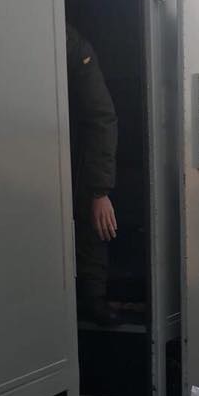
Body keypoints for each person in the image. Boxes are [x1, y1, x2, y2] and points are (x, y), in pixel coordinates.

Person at [66, 24, 119, 326]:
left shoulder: (74, 47)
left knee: (96, 220)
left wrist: (99, 191)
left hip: (75, 161)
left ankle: (92, 299)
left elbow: (101, 117)